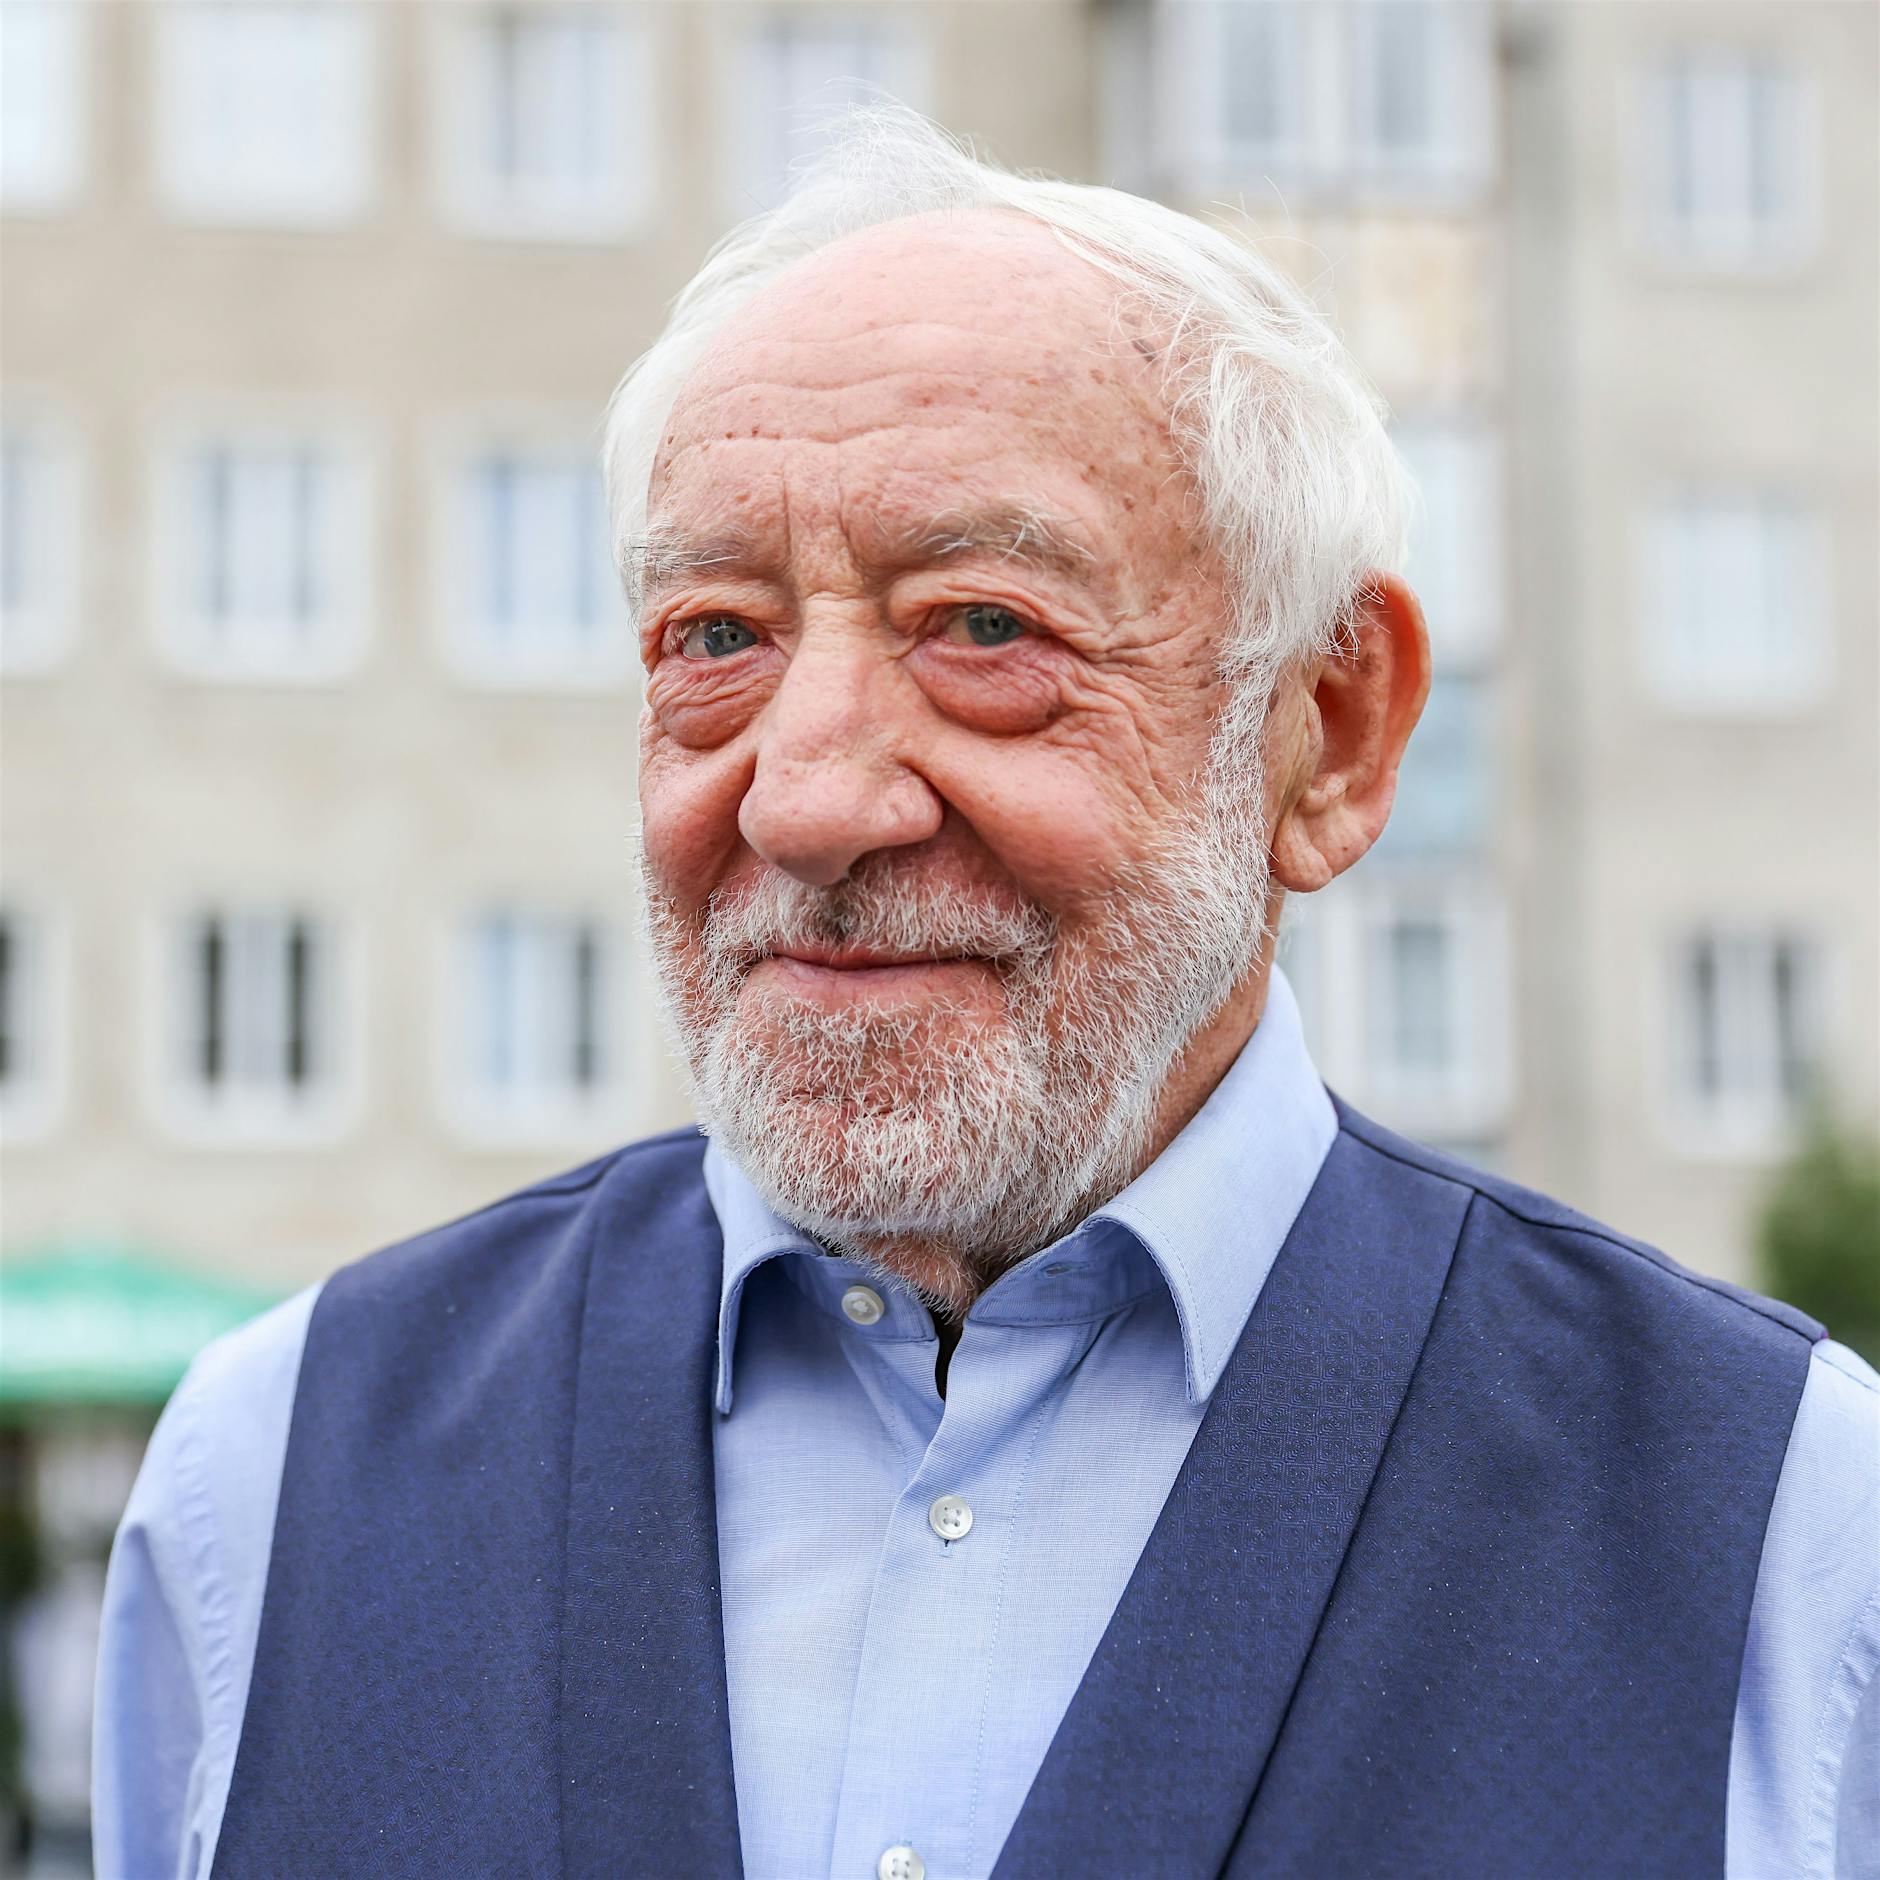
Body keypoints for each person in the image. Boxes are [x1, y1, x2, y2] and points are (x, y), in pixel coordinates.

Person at [95, 111, 1877, 1880]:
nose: (806, 795)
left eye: (985, 629)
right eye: (716, 638)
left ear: (1326, 735)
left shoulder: (1783, 1537)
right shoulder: (272, 1484)